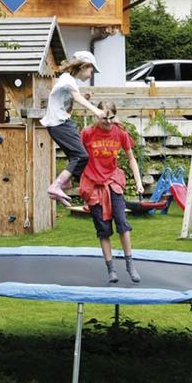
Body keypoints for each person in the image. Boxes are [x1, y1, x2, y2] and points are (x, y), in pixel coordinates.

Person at [78, 100, 145, 283]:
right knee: (103, 230)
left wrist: (138, 181)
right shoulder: (87, 133)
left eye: (111, 117)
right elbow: (75, 155)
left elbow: (131, 158)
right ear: (97, 115)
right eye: (103, 117)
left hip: (113, 182)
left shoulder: (120, 133)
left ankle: (130, 265)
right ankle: (111, 269)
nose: (107, 121)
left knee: (122, 223)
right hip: (94, 186)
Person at [40, 50, 106, 208]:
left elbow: (68, 105)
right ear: (84, 66)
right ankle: (56, 186)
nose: (91, 75)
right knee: (81, 156)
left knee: (75, 156)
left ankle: (64, 184)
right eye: (91, 70)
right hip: (60, 125)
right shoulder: (67, 80)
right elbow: (76, 97)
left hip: (59, 124)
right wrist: (96, 111)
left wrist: (83, 99)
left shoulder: (68, 81)